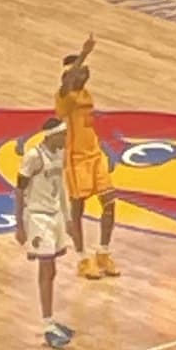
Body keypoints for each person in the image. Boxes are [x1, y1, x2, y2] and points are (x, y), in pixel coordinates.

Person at [57, 45, 118, 282]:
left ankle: (103, 253)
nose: (86, 72)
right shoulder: (65, 97)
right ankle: (82, 259)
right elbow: (69, 80)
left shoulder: (85, 93)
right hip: (76, 159)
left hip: (95, 154)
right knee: (78, 209)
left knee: (110, 202)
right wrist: (83, 54)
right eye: (81, 70)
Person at [14, 116, 75, 350]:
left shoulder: (59, 154)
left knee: (53, 270)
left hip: (54, 215)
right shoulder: (33, 157)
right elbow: (19, 190)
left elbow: (62, 188)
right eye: (63, 135)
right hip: (38, 217)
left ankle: (51, 319)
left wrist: (68, 218)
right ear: (52, 136)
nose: (66, 138)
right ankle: (48, 326)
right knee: (46, 267)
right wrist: (19, 225)